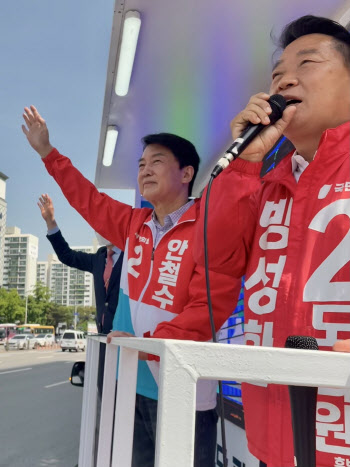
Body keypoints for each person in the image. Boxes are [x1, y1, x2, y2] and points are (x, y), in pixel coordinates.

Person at [22, 116, 240, 466]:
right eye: (141, 165)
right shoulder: (133, 225)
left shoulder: (207, 225)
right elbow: (87, 199)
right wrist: (47, 152)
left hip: (181, 388)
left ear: (186, 174)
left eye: (157, 162)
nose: (145, 171)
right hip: (131, 383)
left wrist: (148, 346)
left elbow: (208, 309)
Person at [195, 15, 350, 467]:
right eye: (278, 71)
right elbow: (213, 264)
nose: (285, 78)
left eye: (308, 62)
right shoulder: (265, 183)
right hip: (272, 440)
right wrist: (246, 162)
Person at [38, 193, 123, 466]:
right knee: (104, 410)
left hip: (131, 347)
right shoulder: (100, 258)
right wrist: (51, 222)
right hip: (103, 348)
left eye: (104, 221)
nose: (99, 229)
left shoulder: (137, 255)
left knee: (127, 414)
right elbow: (66, 255)